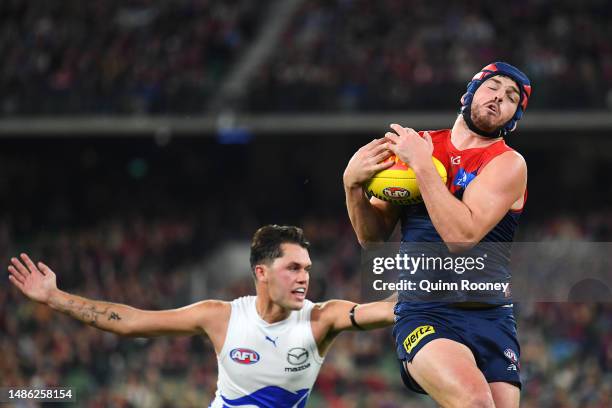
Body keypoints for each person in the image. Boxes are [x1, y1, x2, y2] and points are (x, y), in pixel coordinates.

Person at [7, 224, 395, 408]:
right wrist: (56, 298)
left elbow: (384, 309)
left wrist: (443, 287)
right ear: (261, 272)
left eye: (307, 268)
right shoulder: (220, 316)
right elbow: (131, 322)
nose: (304, 278)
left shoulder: (322, 319)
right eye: (293, 268)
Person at [343, 62, 532, 408]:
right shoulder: (418, 146)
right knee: (476, 403)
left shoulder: (508, 163)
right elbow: (372, 240)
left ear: (513, 118)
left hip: (491, 316)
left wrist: (423, 166)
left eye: (511, 98)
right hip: (426, 312)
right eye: (494, 87)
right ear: (469, 92)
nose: (499, 98)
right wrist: (352, 186)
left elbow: (461, 237)